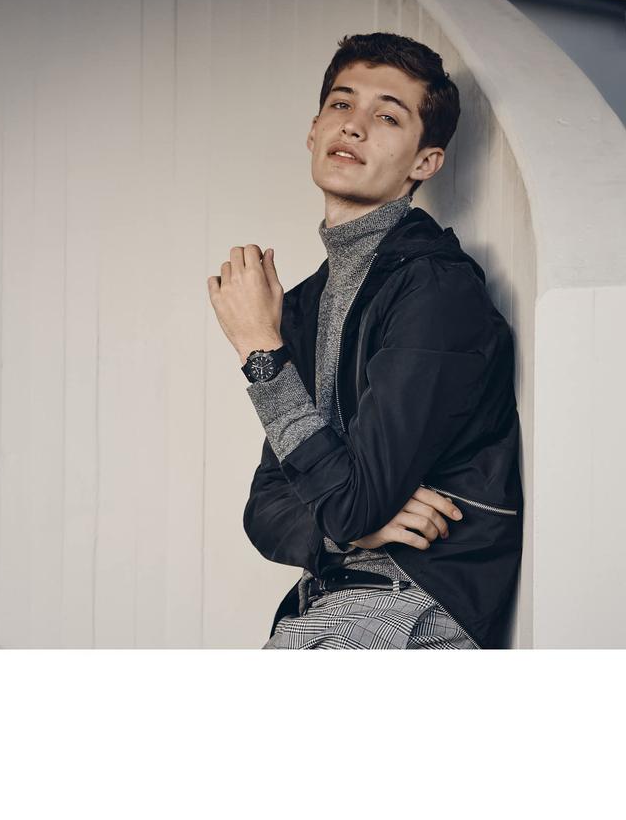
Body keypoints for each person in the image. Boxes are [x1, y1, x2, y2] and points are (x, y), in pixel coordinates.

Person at [207, 32, 523, 649]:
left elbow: (350, 502)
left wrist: (260, 352)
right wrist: (350, 530)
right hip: (333, 597)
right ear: (314, 131)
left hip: (413, 601)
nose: (353, 125)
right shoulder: (305, 301)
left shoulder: (435, 292)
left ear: (425, 163)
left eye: (387, 116)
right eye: (341, 104)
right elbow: (265, 508)